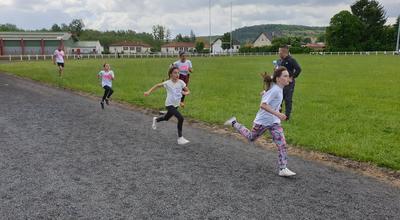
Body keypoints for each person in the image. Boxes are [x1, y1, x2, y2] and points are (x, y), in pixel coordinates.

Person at [224, 66, 296, 177]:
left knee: (282, 144)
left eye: (288, 76)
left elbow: (270, 87)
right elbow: (262, 105)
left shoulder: (277, 87)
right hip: (262, 121)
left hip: (274, 123)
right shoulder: (276, 90)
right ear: (278, 79)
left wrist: (265, 92)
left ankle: (283, 168)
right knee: (251, 137)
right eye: (285, 76)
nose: (288, 78)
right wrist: (278, 113)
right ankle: (234, 122)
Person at [144, 66, 190, 145]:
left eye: (178, 73)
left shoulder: (181, 82)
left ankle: (156, 119)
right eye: (175, 73)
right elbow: (157, 85)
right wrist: (148, 92)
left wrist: (184, 95)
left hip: (176, 105)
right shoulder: (167, 83)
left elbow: (188, 91)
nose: (177, 74)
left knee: (166, 118)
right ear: (171, 74)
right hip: (169, 104)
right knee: (180, 118)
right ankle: (180, 138)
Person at [277, 45, 302, 120]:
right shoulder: (280, 61)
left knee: (288, 99)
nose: (278, 53)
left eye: (279, 51)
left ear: (283, 52)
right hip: (280, 84)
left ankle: (287, 117)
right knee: (279, 99)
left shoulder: (291, 60)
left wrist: (291, 77)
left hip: (289, 84)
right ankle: (278, 115)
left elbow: (298, 69)